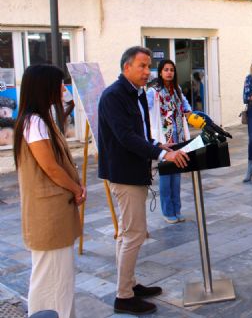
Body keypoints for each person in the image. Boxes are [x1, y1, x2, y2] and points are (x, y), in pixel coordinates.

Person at [98, 46, 189, 315]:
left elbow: (139, 133)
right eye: (142, 65)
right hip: (124, 174)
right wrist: (162, 153)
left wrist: (158, 143)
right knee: (134, 235)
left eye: (149, 65)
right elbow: (125, 137)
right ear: (126, 67)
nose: (147, 71)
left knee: (128, 234)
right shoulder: (114, 96)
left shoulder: (134, 94)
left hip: (134, 171)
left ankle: (129, 283)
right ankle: (124, 297)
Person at [13, 64, 86, 318]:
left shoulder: (39, 119)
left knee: (58, 277)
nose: (63, 88)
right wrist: (76, 188)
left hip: (52, 212)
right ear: (45, 87)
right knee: (51, 277)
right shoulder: (34, 122)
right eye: (59, 84)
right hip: (48, 215)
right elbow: (51, 168)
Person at [147, 59, 192, 224]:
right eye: (165, 69)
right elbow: (145, 112)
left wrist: (191, 115)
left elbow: (187, 108)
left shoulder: (177, 90)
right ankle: (167, 211)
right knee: (166, 177)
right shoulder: (153, 92)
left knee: (177, 177)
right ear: (160, 72)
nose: (169, 72)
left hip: (178, 138)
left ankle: (177, 209)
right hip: (164, 141)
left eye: (171, 69)